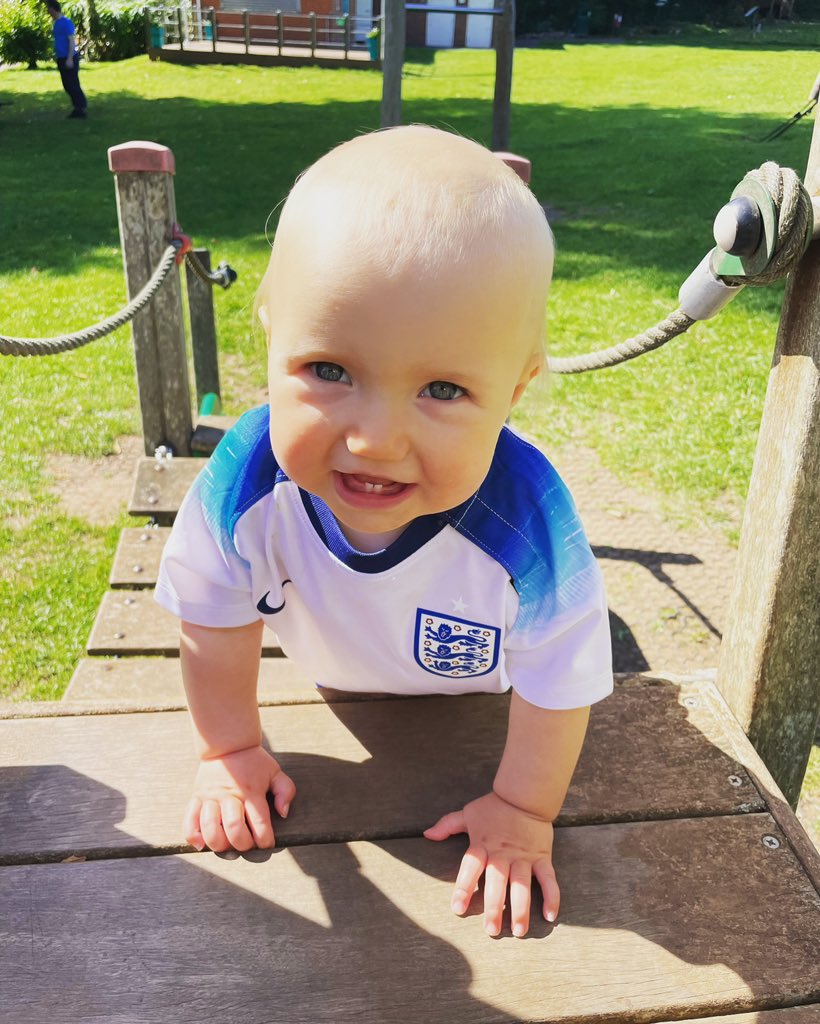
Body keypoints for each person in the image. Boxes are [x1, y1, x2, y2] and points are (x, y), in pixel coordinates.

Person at [155, 126, 613, 938]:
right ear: (269, 330)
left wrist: (520, 808)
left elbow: (560, 676)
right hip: (342, 689)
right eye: (330, 371)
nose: (374, 439)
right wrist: (228, 750)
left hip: (477, 713)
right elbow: (212, 618)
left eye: (441, 388)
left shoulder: (529, 524)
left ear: (516, 388)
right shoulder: (244, 484)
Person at [45, 0, 87, 119]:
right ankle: (78, 106)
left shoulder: (66, 23)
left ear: (53, 9)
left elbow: (71, 41)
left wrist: (69, 58)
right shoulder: (56, 23)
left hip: (69, 57)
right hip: (61, 57)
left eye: (48, 8)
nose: (47, 11)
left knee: (72, 83)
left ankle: (80, 108)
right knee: (67, 84)